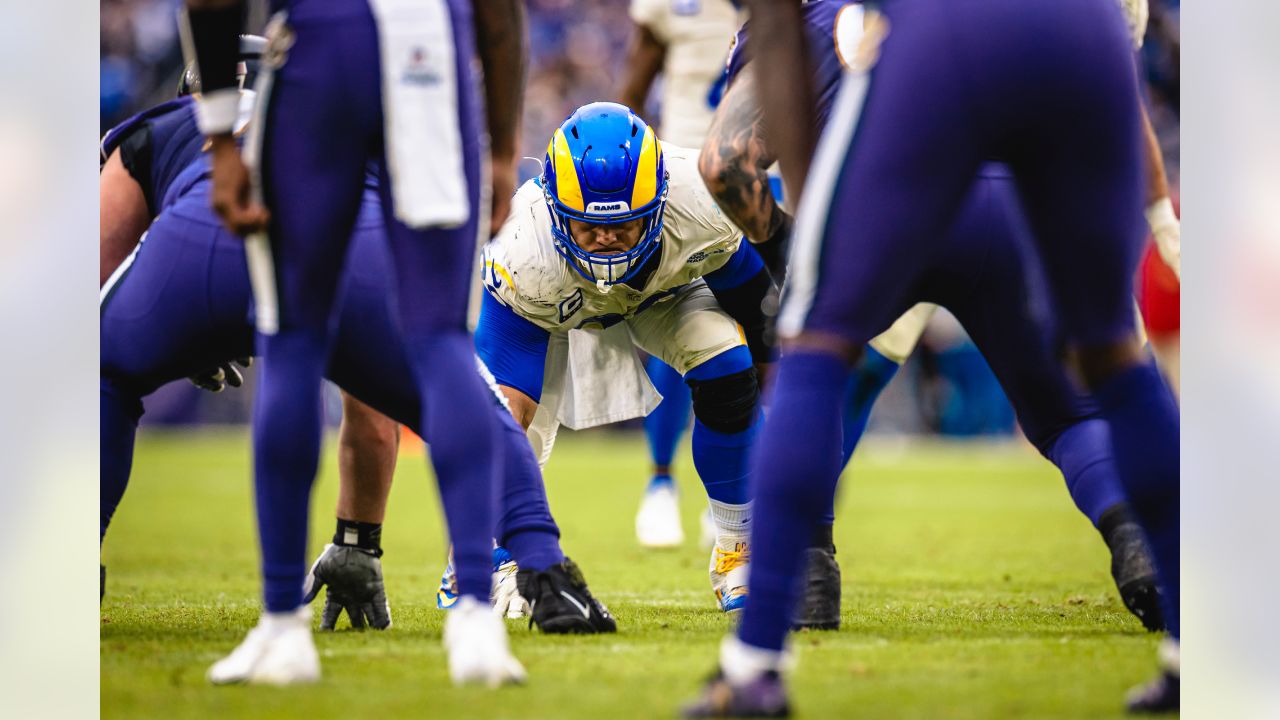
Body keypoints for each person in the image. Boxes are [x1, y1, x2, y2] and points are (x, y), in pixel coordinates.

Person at [685, 0, 1180, 714]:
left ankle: (761, 653)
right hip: (1079, 37)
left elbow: (727, 160)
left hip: (934, 66)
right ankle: (1189, 636)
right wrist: (1162, 212)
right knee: (1105, 373)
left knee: (816, 356)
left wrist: (803, 257)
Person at [99, 91, 616, 641]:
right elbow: (369, 404)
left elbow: (97, 266)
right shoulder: (369, 112)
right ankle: (544, 566)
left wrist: (179, 332)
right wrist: (356, 542)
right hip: (347, 254)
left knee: (100, 375)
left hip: (202, 240)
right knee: (467, 398)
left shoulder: (162, 128)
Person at [181, 0, 527, 685]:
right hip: (430, 45)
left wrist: (221, 134)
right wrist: (506, 147)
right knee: (442, 341)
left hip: (320, 44)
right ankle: (477, 621)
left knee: (293, 339)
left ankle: (283, 626)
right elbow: (500, 10)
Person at [476, 102, 776, 614]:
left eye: (625, 225)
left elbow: (758, 312)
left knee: (730, 365)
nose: (607, 239)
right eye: (588, 227)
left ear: (660, 202)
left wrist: (771, 410)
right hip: (555, 304)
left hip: (665, 292)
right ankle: (493, 556)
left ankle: (736, 551)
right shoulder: (524, 249)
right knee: (508, 423)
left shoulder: (702, 202)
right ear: (554, 209)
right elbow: (508, 406)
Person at [618, 0, 745, 550]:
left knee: (756, 336)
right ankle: (661, 482)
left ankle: (738, 494)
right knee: (680, 329)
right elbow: (632, 87)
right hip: (684, 179)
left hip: (765, 180)